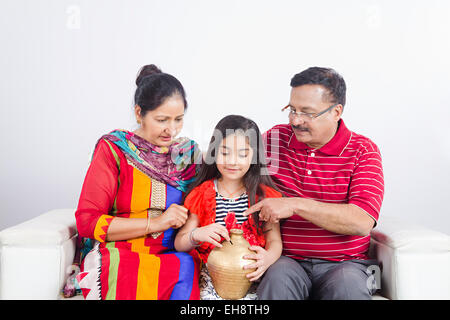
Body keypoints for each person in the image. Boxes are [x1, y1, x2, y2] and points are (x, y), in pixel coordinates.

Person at [244, 67, 384, 300]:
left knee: (348, 288)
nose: (296, 120)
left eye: (307, 113)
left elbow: (362, 222)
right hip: (287, 261)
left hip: (349, 264)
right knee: (278, 279)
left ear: (336, 111)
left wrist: (295, 205)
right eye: (292, 110)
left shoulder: (363, 150)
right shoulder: (274, 140)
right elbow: (231, 167)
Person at [74, 64, 202, 300]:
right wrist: (156, 223)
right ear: (138, 113)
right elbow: (87, 222)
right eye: (162, 119)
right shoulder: (114, 149)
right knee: (122, 265)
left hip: (170, 253)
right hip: (121, 251)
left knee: (186, 264)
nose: (171, 130)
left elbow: (209, 197)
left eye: (179, 120)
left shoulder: (188, 154)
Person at [174, 115, 283, 300]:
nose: (233, 161)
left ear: (254, 156)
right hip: (213, 277)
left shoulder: (264, 197)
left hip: (252, 276)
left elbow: (274, 240)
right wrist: (196, 235)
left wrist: (268, 259)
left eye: (242, 154)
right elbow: (180, 243)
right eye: (225, 153)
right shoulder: (202, 193)